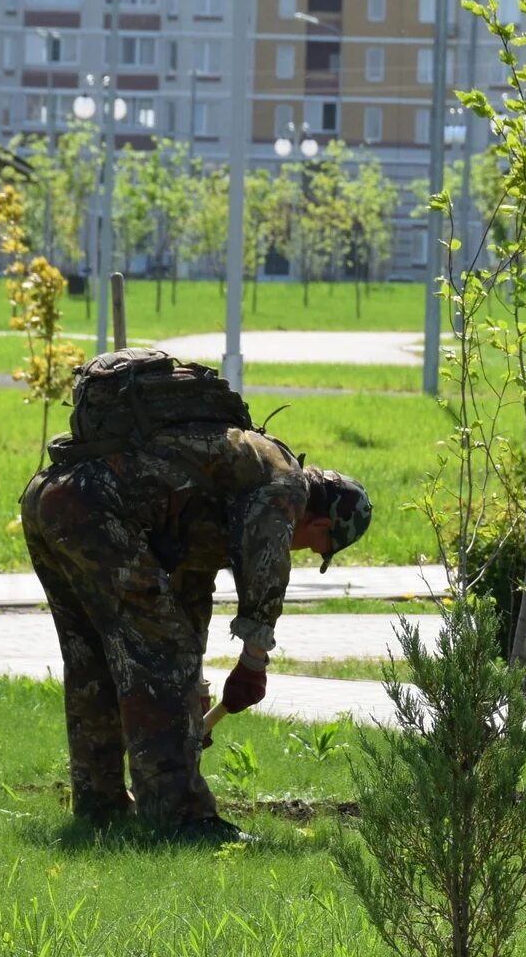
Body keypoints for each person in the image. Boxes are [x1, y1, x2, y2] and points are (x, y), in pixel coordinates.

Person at [20, 354, 373, 842]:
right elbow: (266, 563)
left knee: (96, 661)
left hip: (53, 498)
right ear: (322, 521)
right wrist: (253, 661)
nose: (306, 549)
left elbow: (187, 591)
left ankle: (100, 808)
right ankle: (181, 820)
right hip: (97, 510)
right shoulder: (283, 482)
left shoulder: (228, 486)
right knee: (160, 656)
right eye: (317, 545)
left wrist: (191, 692)